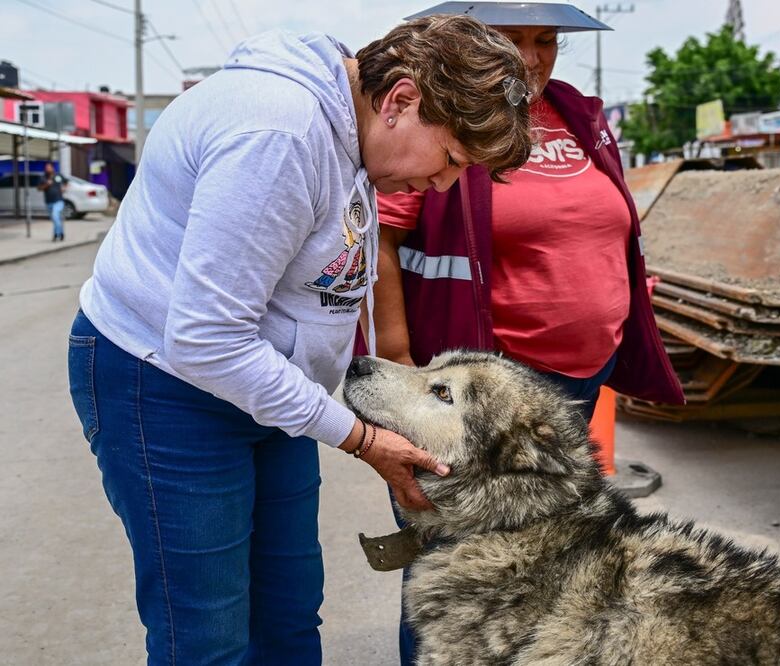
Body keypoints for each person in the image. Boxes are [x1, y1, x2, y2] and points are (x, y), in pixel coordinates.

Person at [66, 16, 531, 665]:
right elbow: (205, 338)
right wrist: (362, 438)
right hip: (165, 385)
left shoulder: (352, 132)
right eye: (451, 158)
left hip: (261, 387)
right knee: (207, 634)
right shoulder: (277, 133)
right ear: (400, 99)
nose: (445, 183)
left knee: (286, 616)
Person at [370, 3, 685, 663]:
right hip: (489, 391)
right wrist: (400, 364)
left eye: (545, 40)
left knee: (549, 560)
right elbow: (382, 241)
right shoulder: (444, 116)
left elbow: (606, 226)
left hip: (582, 379)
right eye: (511, 40)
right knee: (457, 561)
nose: (533, 57)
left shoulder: (576, 112)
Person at [37, 162, 67, 241]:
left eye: (49, 167)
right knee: (55, 219)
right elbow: (39, 188)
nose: (48, 169)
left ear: (52, 168)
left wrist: (64, 187)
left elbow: (66, 182)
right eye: (46, 168)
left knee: (55, 215)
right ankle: (61, 233)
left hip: (58, 200)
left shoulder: (58, 176)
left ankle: (56, 235)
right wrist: (47, 184)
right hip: (49, 202)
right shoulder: (43, 177)